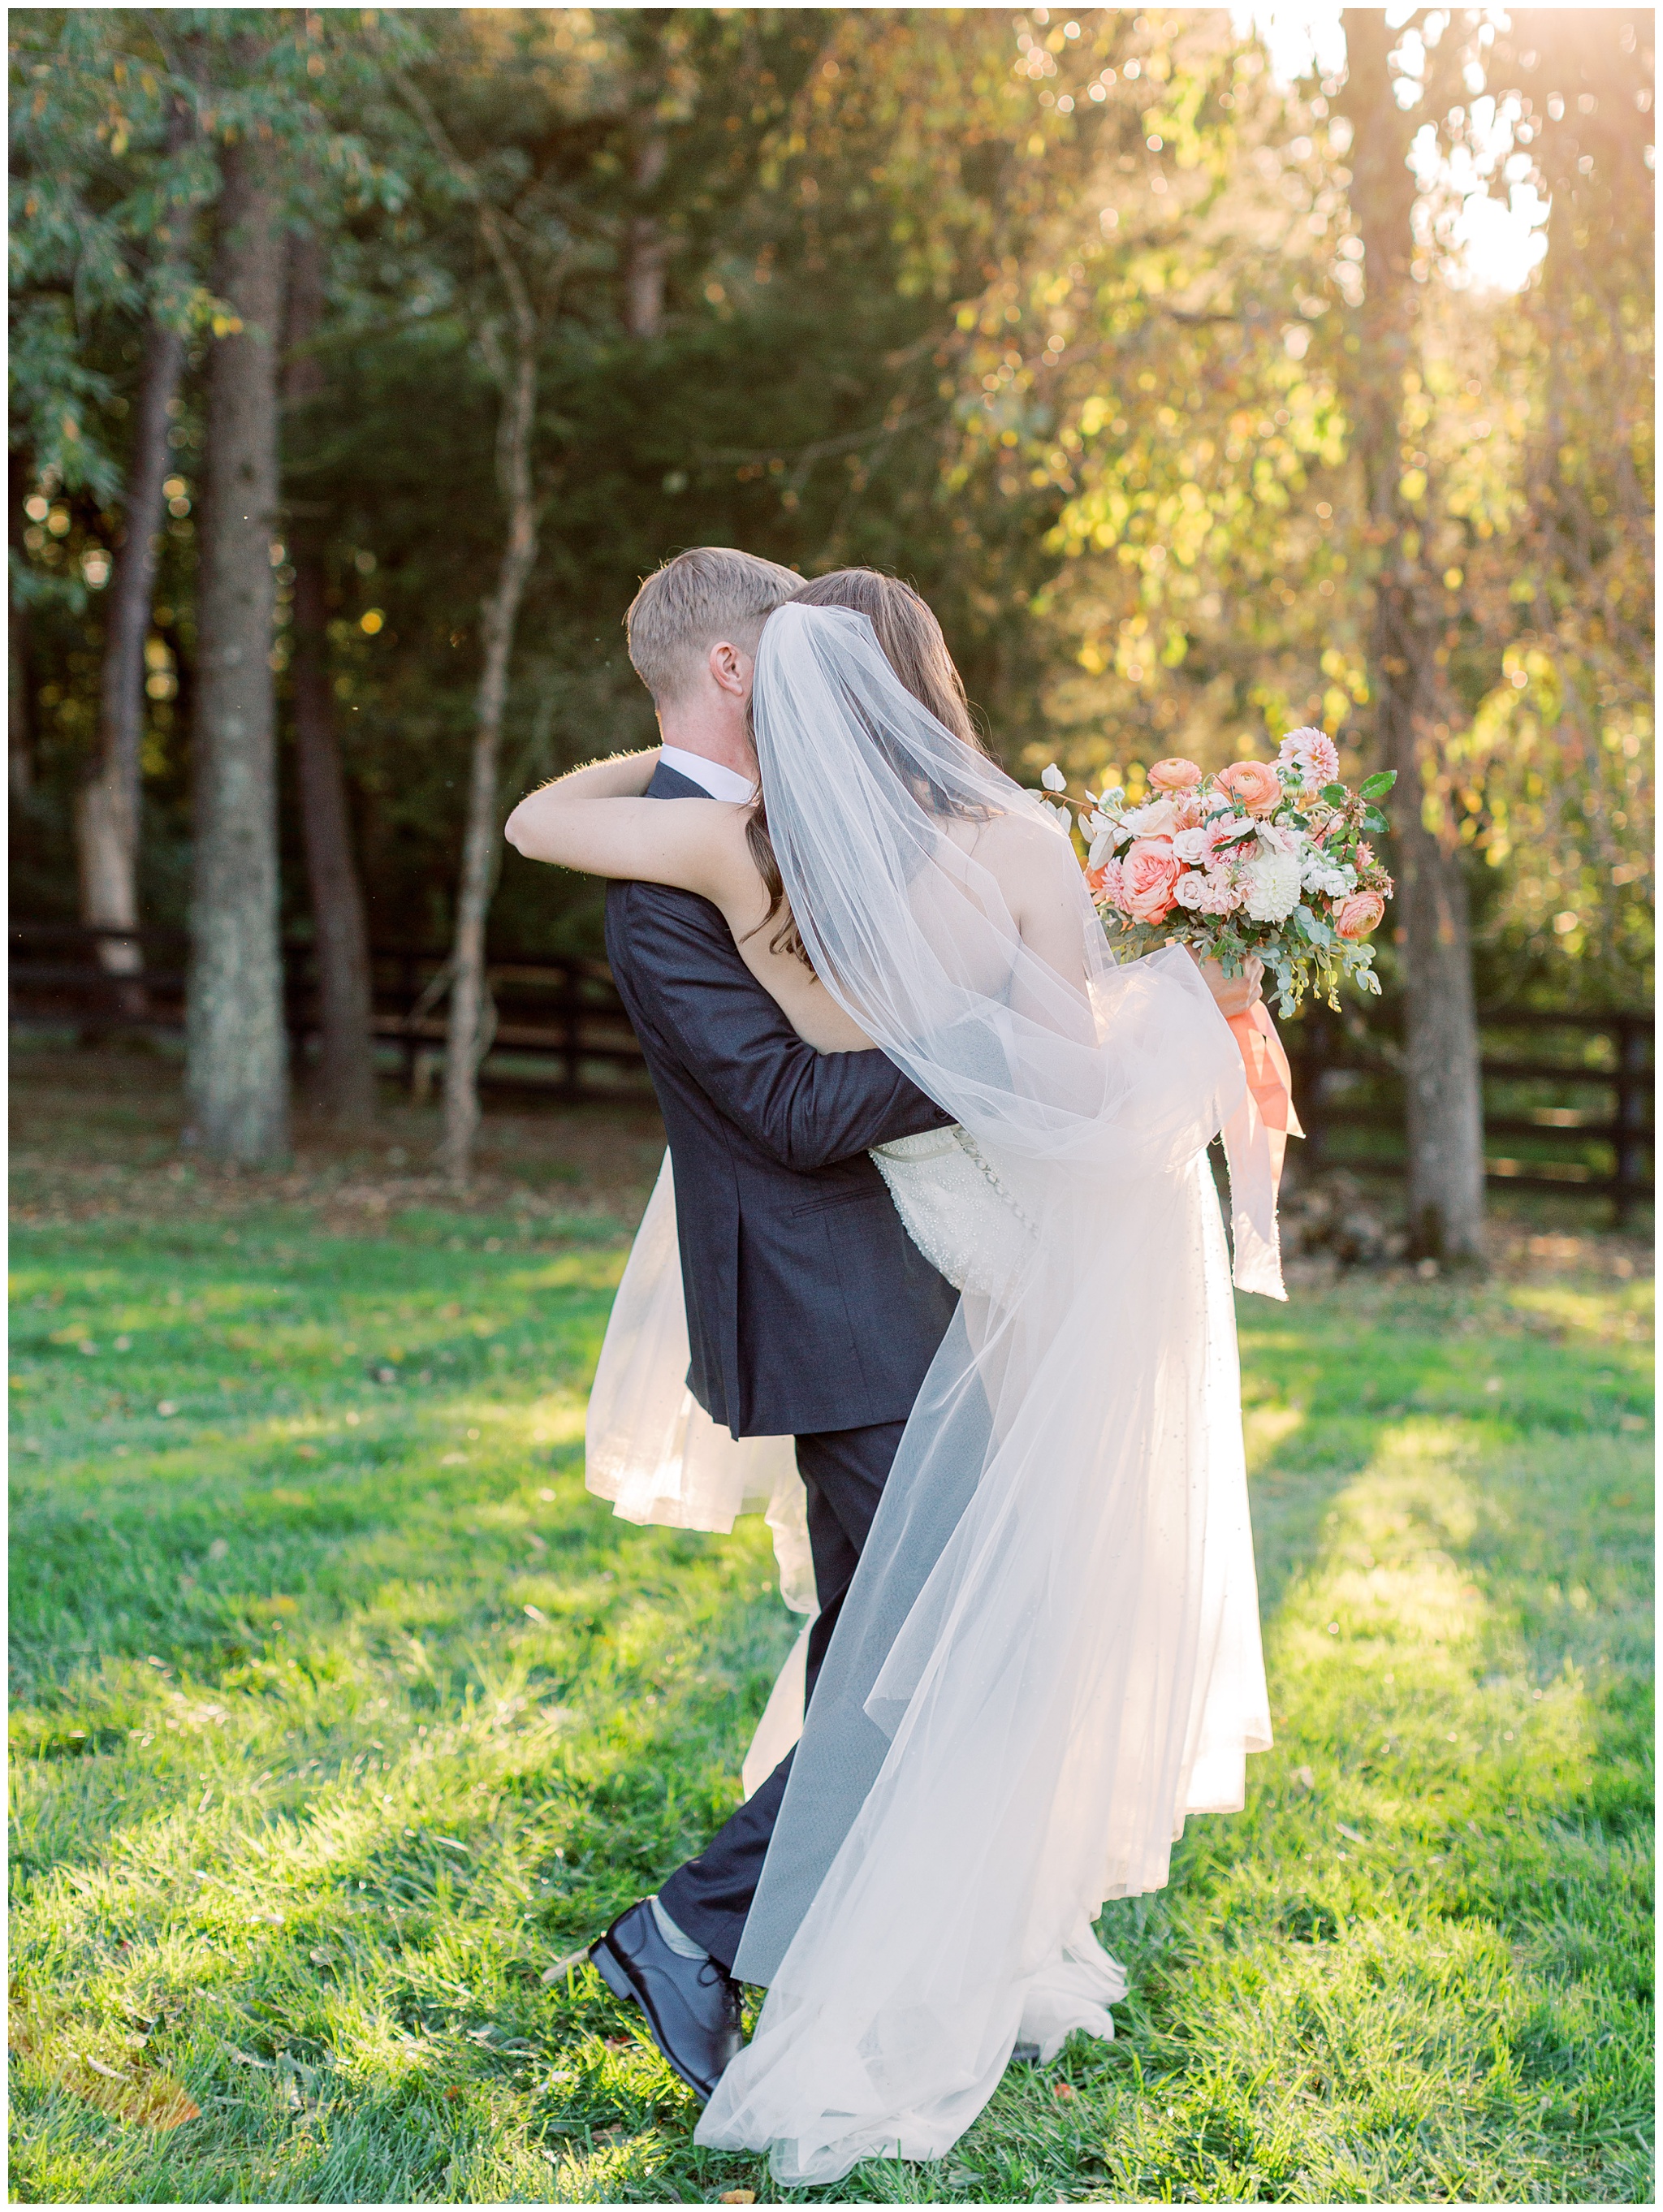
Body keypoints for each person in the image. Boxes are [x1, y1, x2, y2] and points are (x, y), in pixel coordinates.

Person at [507, 566, 1272, 2181]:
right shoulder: (692, 859)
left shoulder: (788, 834)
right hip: (839, 1309)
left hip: (927, 1288)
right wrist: (973, 1032)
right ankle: (692, 1932)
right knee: (925, 1656)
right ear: (742, 668)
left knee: (909, 1647)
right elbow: (786, 1108)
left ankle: (784, 1938)